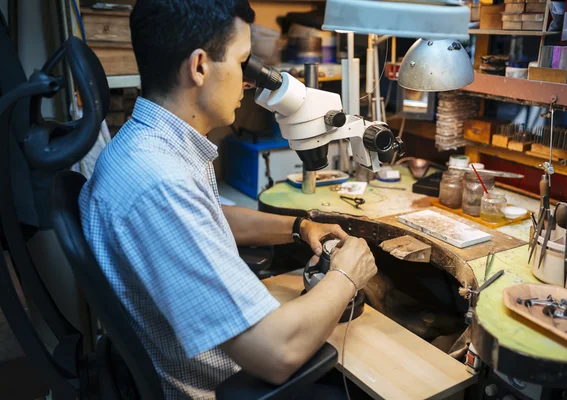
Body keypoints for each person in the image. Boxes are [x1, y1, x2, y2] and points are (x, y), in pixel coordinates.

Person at [78, 0, 378, 398]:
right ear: (199, 66)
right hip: (228, 386)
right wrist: (346, 275)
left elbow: (204, 217)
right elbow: (277, 352)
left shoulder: (145, 146)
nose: (250, 81)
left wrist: (297, 226)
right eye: (242, 63)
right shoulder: (161, 184)